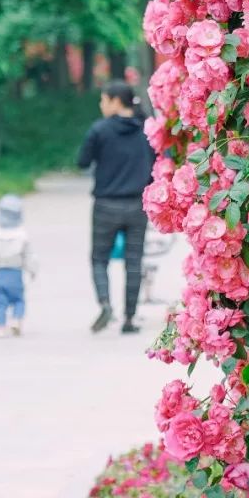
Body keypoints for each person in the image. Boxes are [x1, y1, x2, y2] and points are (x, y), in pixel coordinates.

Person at [77, 79, 156, 334]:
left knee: (99, 259)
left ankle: (105, 303)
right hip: (137, 205)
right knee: (134, 261)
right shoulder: (146, 130)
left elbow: (82, 162)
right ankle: (130, 319)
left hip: (106, 205)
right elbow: (156, 165)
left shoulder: (99, 130)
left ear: (115, 101)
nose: (101, 104)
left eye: (103, 100)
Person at [0, 193, 38, 337]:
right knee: (18, 300)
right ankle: (16, 320)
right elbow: (29, 256)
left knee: (0, 302)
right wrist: (32, 270)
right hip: (15, 274)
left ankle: (1, 327)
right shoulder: (22, 236)